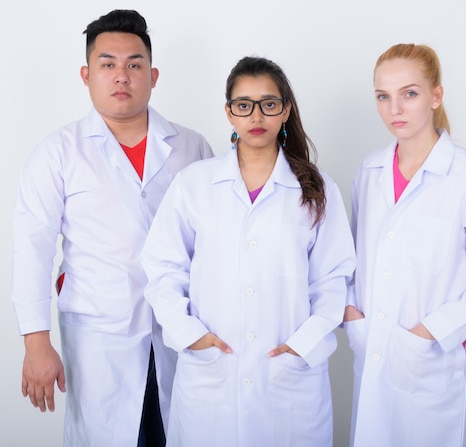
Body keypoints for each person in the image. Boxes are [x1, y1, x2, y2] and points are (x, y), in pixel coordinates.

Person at [11, 9, 213, 447]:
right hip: (100, 339)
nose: (121, 76)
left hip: (183, 331)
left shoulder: (193, 146)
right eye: (108, 64)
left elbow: (214, 243)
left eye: (134, 64)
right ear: (86, 74)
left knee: (183, 433)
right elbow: (33, 248)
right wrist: (35, 342)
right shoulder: (58, 153)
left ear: (153, 75)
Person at [140, 56, 355, 447]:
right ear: (229, 113)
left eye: (269, 103)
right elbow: (162, 270)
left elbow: (333, 280)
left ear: (286, 109)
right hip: (211, 377)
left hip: (288, 378)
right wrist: (191, 335)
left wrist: (301, 345)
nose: (257, 115)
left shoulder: (317, 189)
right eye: (244, 104)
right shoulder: (195, 184)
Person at [343, 43, 466, 447]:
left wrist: (432, 333)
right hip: (372, 348)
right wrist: (354, 317)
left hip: (428, 361)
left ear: (435, 96)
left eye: (409, 93)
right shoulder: (368, 172)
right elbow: (355, 258)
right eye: (383, 97)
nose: (395, 109)